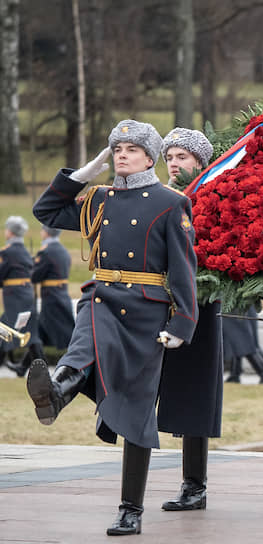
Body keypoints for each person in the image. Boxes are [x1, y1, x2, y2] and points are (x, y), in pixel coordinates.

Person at [28, 119, 198, 535]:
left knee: (137, 409)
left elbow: (183, 268)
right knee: (83, 342)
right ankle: (55, 393)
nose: (121, 155)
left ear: (149, 157)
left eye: (131, 149)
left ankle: (130, 509)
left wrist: (182, 321)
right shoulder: (100, 197)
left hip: (146, 311)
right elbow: (45, 211)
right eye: (116, 149)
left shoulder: (169, 202)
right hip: (102, 296)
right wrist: (80, 176)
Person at [155, 127, 224, 513]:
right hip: (151, 301)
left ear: (199, 161)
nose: (175, 163)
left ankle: (193, 485)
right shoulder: (157, 198)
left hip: (198, 303)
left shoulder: (212, 197)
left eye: (182, 157)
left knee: (195, 393)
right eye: (170, 157)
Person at [1, 216, 43, 376]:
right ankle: (38, 365)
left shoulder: (7, 252)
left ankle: (41, 365)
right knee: (27, 331)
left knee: (5, 328)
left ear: (10, 232)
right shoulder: (24, 251)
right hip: (26, 294)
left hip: (14, 295)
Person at [31, 225, 75, 353]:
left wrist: (32, 265)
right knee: (38, 333)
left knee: (65, 334)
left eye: (42, 230)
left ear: (46, 233)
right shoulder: (63, 250)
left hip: (51, 298)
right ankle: (24, 365)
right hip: (61, 295)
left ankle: (75, 364)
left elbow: (35, 276)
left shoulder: (46, 251)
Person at [222, 306, 263, 384]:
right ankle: (235, 374)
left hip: (235, 305)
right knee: (237, 339)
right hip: (242, 305)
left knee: (242, 340)